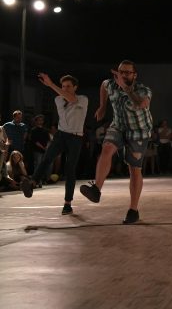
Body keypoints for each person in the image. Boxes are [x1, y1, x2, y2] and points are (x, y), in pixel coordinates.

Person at [80, 60, 153, 224]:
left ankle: (133, 210)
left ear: (135, 75)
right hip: (118, 126)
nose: (124, 75)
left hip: (138, 131)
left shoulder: (143, 90)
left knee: (134, 169)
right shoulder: (110, 84)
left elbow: (141, 104)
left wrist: (126, 88)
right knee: (106, 148)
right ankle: (96, 189)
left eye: (128, 72)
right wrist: (102, 106)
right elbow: (103, 85)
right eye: (122, 72)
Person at [21, 74, 89, 215]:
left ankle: (67, 204)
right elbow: (65, 97)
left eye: (68, 86)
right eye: (63, 86)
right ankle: (32, 183)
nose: (65, 89)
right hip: (61, 135)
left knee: (70, 169)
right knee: (46, 158)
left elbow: (71, 99)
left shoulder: (83, 99)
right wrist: (53, 86)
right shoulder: (58, 99)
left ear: (75, 87)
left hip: (75, 138)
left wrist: (51, 84)